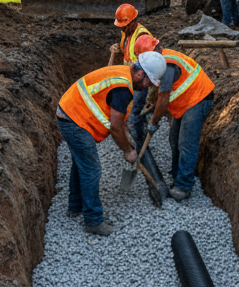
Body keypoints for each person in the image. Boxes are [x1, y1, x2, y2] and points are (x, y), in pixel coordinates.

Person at [56, 51, 165, 235]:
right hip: (73, 119)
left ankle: (75, 207)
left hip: (69, 112)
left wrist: (127, 139)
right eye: (148, 82)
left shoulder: (123, 73)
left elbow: (118, 120)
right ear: (141, 74)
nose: (147, 87)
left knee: (80, 163)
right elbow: (115, 126)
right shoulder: (123, 88)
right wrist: (128, 151)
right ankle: (93, 221)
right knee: (92, 169)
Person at [133, 34, 215, 201]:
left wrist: (154, 122)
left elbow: (163, 99)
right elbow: (160, 92)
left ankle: (183, 186)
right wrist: (151, 103)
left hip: (198, 97)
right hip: (186, 100)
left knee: (186, 143)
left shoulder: (166, 65)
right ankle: (177, 174)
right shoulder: (159, 60)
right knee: (174, 139)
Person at [108, 2, 155, 147]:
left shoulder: (144, 38)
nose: (123, 28)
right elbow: (128, 53)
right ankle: (136, 139)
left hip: (141, 82)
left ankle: (140, 147)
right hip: (130, 80)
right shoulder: (127, 33)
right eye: (121, 26)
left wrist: (152, 95)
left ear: (134, 21)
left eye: (125, 25)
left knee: (136, 113)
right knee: (131, 112)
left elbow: (154, 63)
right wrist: (116, 50)